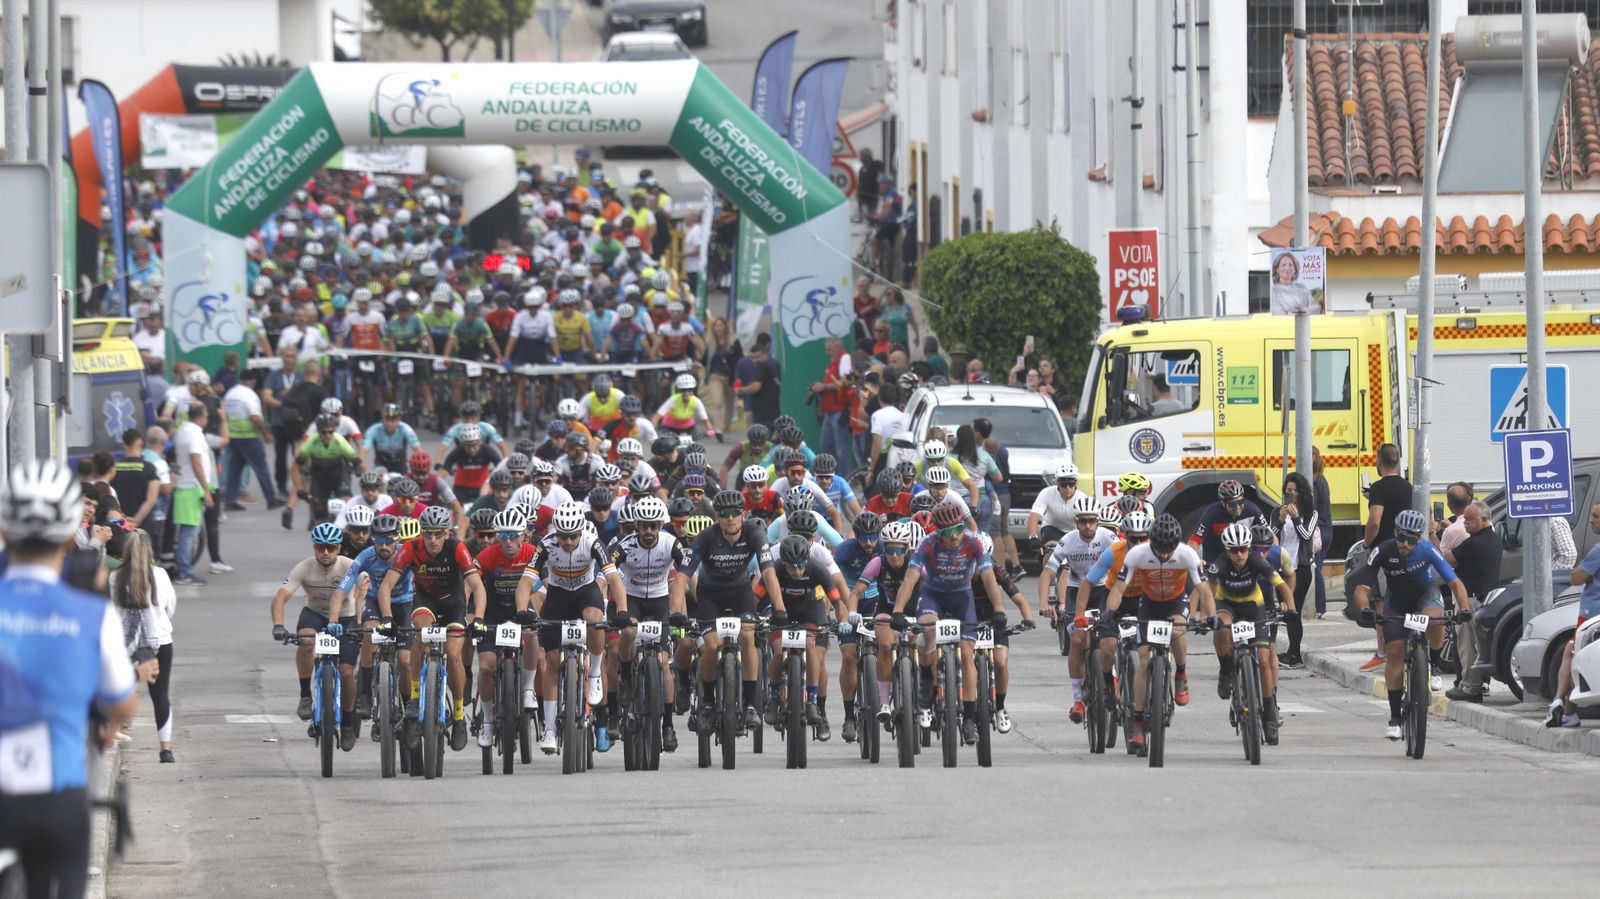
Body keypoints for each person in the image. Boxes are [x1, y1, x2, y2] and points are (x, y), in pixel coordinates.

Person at [0, 460, 138, 899]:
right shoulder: (90, 612)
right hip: (57, 795)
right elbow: (121, 701)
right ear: (68, 536)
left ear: (4, 533)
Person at [890, 501, 1007, 746]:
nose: (953, 537)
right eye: (947, 533)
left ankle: (969, 717)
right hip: (934, 596)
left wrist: (998, 610)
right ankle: (925, 677)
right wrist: (898, 611)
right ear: (938, 532)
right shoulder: (928, 543)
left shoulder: (973, 542)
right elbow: (911, 578)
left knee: (967, 654)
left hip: (963, 599)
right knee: (927, 631)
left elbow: (988, 577)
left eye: (957, 530)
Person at [1348, 509, 1469, 741]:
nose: (1405, 544)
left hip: (1425, 594)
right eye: (1401, 538)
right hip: (1397, 601)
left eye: (1411, 539)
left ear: (1419, 539)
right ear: (1395, 533)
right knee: (1394, 651)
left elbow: (1454, 581)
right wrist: (1365, 609)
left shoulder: (1427, 550)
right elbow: (1362, 587)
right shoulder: (1382, 551)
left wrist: (1464, 609)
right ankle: (1394, 718)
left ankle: (1433, 665)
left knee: (1435, 619)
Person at [378, 505, 488, 752]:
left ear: (447, 533)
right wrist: (386, 617)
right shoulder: (411, 547)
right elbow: (387, 586)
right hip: (425, 601)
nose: (433, 540)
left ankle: (459, 714)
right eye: (427, 534)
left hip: (453, 603)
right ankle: (416, 696)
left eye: (438, 534)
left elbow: (477, 586)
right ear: (421, 533)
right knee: (421, 635)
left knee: (454, 653)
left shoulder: (457, 548)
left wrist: (478, 618)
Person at [518, 502, 625, 751]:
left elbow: (613, 579)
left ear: (581, 532)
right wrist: (522, 611)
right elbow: (526, 581)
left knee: (594, 618)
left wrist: (622, 610)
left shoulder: (592, 542)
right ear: (556, 533)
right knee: (553, 660)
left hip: (586, 592)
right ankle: (550, 730)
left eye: (573, 536)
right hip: (558, 595)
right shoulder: (546, 544)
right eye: (563, 537)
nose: (567, 542)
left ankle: (595, 673)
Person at [1203, 521, 1295, 745]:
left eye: (1243, 549)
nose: (1239, 555)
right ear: (1227, 550)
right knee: (1222, 625)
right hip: (1228, 605)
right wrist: (1208, 615)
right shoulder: (1221, 563)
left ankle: (1269, 717)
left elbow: (1282, 586)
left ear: (1249, 548)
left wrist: (1291, 609)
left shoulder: (1257, 561)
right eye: (1234, 551)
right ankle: (1226, 670)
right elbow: (1208, 589)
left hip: (1254, 607)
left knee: (1264, 660)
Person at [270, 523, 360, 750]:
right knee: (306, 640)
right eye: (321, 548)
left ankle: (348, 723)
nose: (326, 553)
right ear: (314, 547)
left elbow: (364, 591)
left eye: (331, 547)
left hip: (345, 618)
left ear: (339, 547)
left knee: (348, 673)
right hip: (315, 615)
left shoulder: (350, 566)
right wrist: (278, 625)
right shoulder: (304, 568)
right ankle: (305, 695)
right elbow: (280, 598)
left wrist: (362, 620)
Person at [109, 529, 178, 763]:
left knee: (120, 686)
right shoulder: (160, 575)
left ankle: (112, 730)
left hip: (126, 643)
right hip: (158, 640)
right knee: (160, 696)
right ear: (149, 550)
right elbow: (171, 608)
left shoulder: (115, 577)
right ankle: (165, 749)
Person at [1443, 501, 1503, 702]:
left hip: (1469, 601)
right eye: (1464, 518)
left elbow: (1446, 560)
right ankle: (1475, 684)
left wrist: (1433, 536)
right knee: (1476, 644)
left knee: (1466, 645)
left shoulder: (1474, 544)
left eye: (1469, 519)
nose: (1465, 523)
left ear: (1484, 519)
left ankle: (1470, 687)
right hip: (1484, 599)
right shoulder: (1493, 539)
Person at [1359, 443, 1412, 671]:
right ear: (1398, 462)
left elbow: (1375, 520)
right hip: (1409, 550)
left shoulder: (1379, 488)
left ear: (1379, 462)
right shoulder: (1409, 487)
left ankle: (1382, 651)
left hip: (1385, 550)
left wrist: (1367, 542)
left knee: (1381, 601)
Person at [1547, 502, 1600, 728]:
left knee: (1572, 655)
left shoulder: (1597, 550)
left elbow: (1576, 578)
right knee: (1572, 653)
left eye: (1596, 516)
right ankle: (1566, 710)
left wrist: (1583, 573)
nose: (1590, 520)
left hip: (1591, 616)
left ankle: (1561, 702)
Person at [222, 368, 282, 511]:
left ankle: (230, 500)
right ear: (253, 382)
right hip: (250, 437)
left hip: (233, 437)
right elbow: (255, 417)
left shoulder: (230, 394)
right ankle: (271, 499)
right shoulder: (249, 395)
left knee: (235, 470)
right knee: (261, 468)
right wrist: (266, 433)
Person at [1275, 472, 1318, 668]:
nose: (1291, 494)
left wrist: (1296, 518)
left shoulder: (1311, 513)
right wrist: (1280, 520)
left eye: (1295, 491)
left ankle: (1295, 654)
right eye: (1288, 491)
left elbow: (1307, 535)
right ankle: (1284, 651)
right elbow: (1269, 536)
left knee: (1294, 610)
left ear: (1302, 493)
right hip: (1281, 568)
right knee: (1283, 611)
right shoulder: (1278, 511)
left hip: (1300, 568)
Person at [172, 403, 216, 586]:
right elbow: (196, 461)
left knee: (186, 532)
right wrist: (206, 490)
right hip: (191, 486)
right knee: (189, 532)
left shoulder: (183, 429)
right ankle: (185, 571)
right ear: (202, 416)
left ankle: (183, 568)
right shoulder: (195, 434)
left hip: (185, 484)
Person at [702, 316, 741, 435]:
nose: (718, 328)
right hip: (715, 376)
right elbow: (705, 359)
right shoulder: (711, 342)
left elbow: (739, 360)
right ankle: (718, 429)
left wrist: (737, 378)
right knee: (717, 402)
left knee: (729, 404)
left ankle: (726, 427)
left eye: (721, 326)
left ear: (725, 327)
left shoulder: (734, 342)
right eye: (716, 326)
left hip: (729, 377)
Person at [733, 337, 782, 430]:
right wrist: (737, 389)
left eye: (758, 357)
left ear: (765, 354)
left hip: (760, 407)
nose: (755, 360)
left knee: (756, 434)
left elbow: (739, 381)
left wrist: (740, 390)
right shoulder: (774, 363)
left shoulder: (760, 366)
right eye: (753, 357)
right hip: (764, 406)